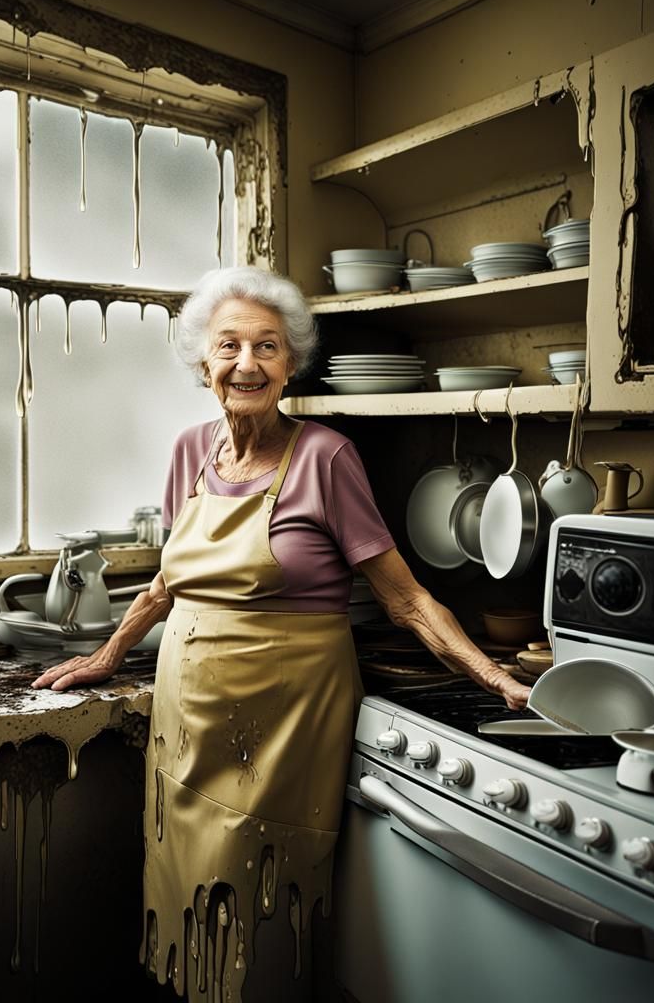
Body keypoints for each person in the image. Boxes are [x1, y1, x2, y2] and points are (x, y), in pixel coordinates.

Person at [31, 267, 530, 1000]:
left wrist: (493, 676)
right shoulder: (189, 452)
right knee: (189, 898)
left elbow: (407, 599)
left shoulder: (325, 457)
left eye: (267, 347)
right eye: (228, 346)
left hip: (287, 718)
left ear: (292, 364)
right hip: (188, 717)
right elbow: (171, 579)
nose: (247, 363)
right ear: (204, 364)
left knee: (264, 901)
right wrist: (107, 653)